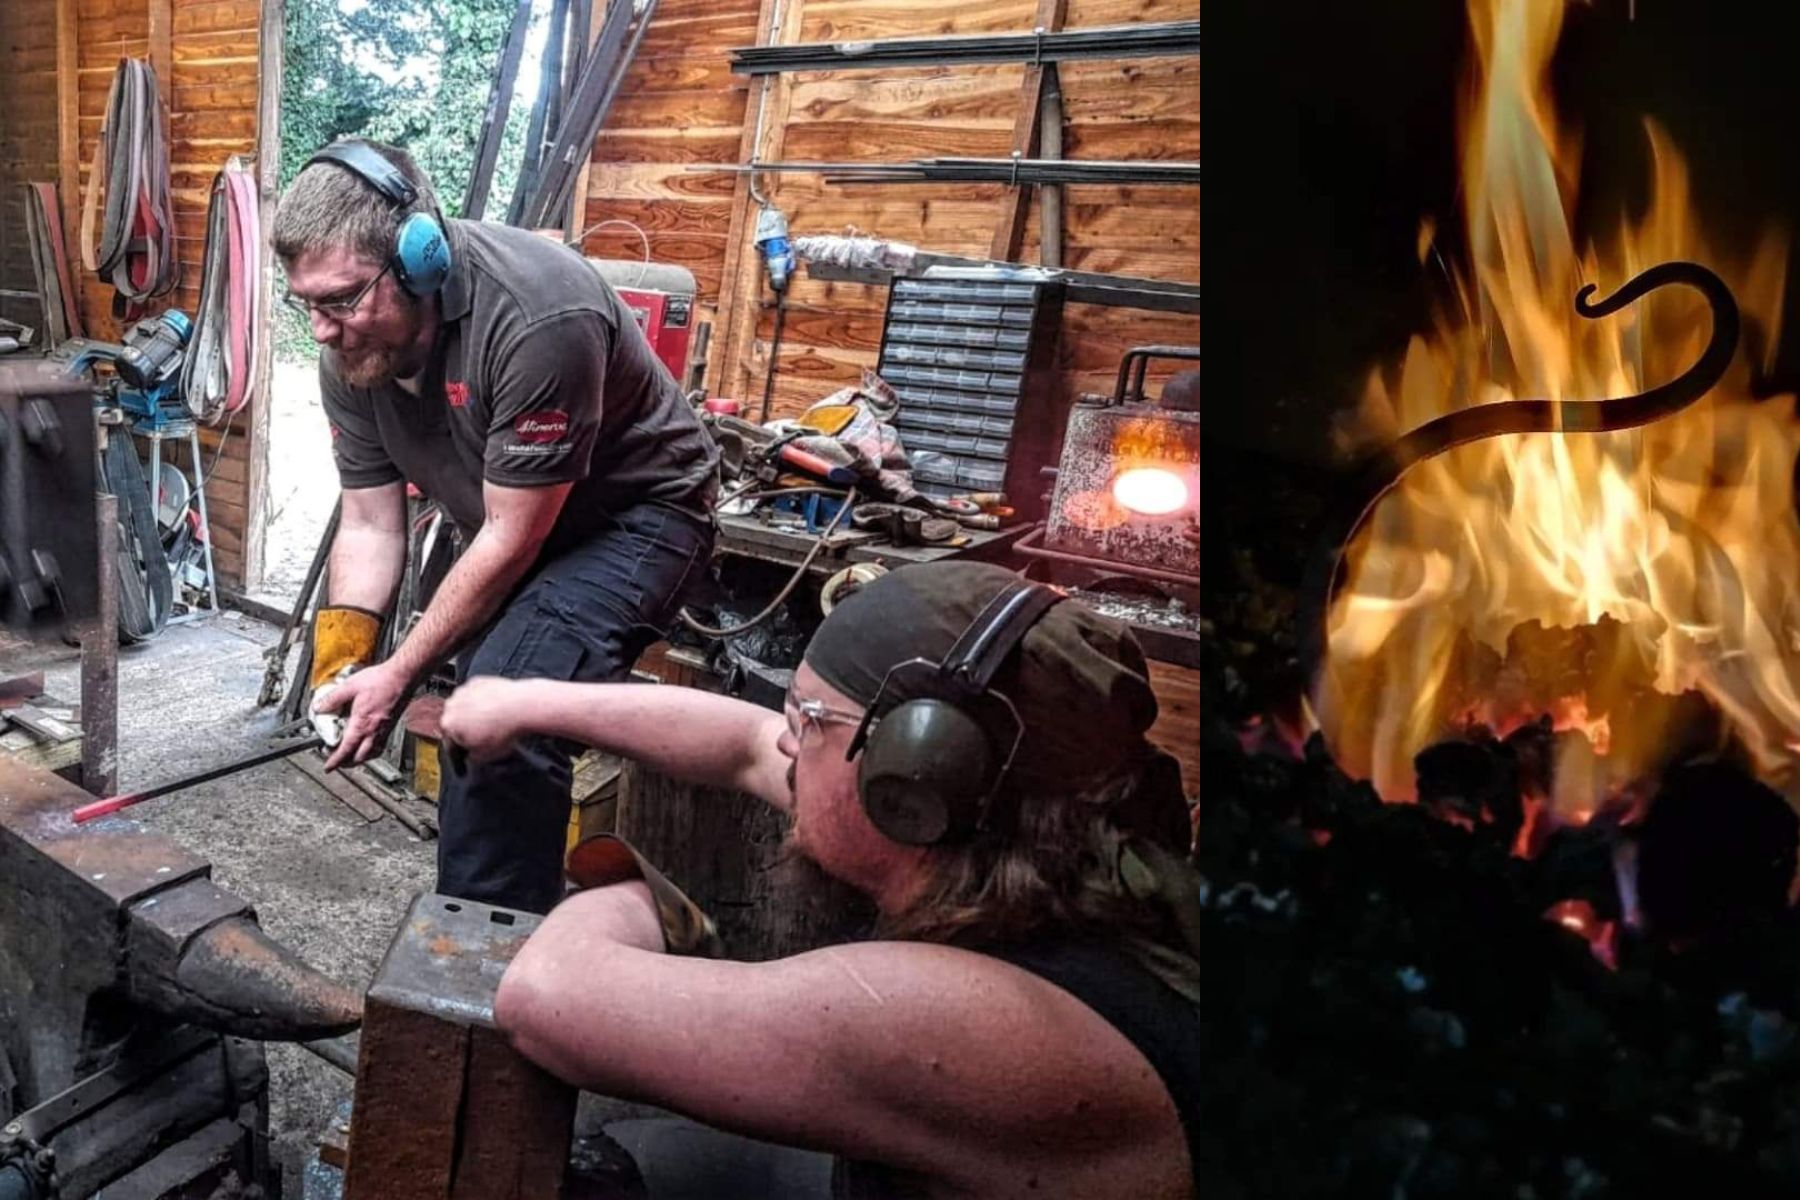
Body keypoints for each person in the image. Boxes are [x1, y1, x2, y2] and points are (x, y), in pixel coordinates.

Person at [439, 561, 1201, 1198]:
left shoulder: (980, 1021)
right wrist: (522, 701)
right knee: (640, 1146)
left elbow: (547, 997)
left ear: (914, 776)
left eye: (808, 720)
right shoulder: (1063, 842)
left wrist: (630, 893)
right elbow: (739, 741)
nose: (782, 739)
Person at [272, 139, 718, 913]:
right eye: (306, 303)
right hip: (518, 525)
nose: (322, 329)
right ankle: (486, 916)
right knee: (475, 709)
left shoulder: (541, 314)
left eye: (343, 299)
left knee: (500, 717)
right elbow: (374, 524)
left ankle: (486, 971)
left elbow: (512, 539)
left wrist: (401, 673)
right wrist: (343, 664)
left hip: (640, 518)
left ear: (421, 259)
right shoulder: (350, 351)